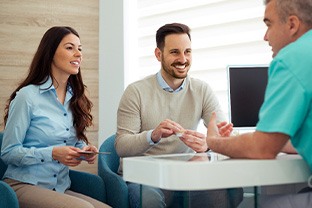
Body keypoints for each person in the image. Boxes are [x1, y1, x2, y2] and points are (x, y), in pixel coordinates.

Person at [115, 23, 243, 208]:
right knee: (150, 200)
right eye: (175, 52)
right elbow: (121, 146)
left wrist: (208, 144)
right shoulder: (136, 92)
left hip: (186, 175)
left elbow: (225, 134)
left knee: (228, 189)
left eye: (187, 52)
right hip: (147, 177)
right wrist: (154, 135)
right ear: (159, 55)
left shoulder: (201, 90)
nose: (183, 59)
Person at [204, 0, 312, 207]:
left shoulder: (291, 59)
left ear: (292, 25)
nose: (265, 36)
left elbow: (262, 149)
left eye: (269, 24)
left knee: (262, 203)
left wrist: (213, 141)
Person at [1, 26, 110, 208]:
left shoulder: (75, 98)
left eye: (80, 48)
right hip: (23, 185)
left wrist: (83, 151)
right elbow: (8, 152)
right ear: (50, 52)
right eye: (70, 48)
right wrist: (52, 153)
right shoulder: (27, 97)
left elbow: (69, 142)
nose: (78, 54)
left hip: (59, 188)